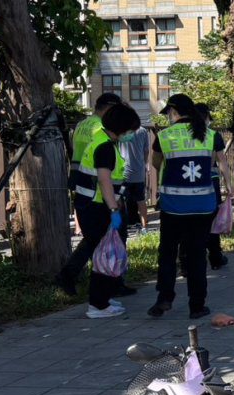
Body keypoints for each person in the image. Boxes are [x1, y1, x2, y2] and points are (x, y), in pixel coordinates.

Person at [149, 94, 227, 319]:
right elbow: (220, 163)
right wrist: (229, 188)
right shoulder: (211, 135)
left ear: (173, 112)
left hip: (173, 205)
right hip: (203, 205)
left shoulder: (163, 136)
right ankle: (197, 306)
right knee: (196, 255)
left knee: (167, 252)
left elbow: (156, 163)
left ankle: (164, 298)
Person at [65, 102, 141, 318]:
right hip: (97, 207)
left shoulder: (103, 141)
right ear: (121, 128)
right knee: (104, 255)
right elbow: (105, 180)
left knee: (102, 252)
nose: (132, 134)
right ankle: (97, 305)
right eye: (131, 130)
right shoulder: (105, 147)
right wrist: (114, 209)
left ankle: (103, 299)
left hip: (91, 205)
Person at [56, 93, 123, 295]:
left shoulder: (83, 124)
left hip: (82, 183)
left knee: (94, 238)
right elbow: (104, 164)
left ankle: (104, 280)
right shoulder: (100, 129)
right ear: (109, 108)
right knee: (103, 238)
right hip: (98, 191)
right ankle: (108, 282)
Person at [195, 103, 229, 270]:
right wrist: (229, 184)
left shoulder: (182, 135)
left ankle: (188, 261)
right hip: (210, 182)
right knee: (212, 220)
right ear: (207, 117)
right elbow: (222, 161)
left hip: (189, 183)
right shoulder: (213, 135)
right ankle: (215, 256)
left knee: (191, 220)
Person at [119, 124, 150, 232]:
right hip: (139, 174)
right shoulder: (143, 131)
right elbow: (146, 151)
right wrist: (144, 164)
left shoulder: (120, 129)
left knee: (120, 199)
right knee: (141, 200)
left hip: (123, 174)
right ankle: (144, 227)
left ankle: (121, 226)